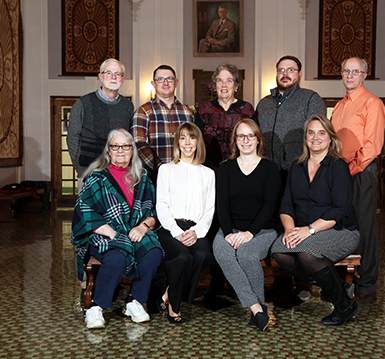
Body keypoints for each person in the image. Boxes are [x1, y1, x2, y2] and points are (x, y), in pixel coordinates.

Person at [270, 115, 360, 326]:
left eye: (322, 133)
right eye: (311, 132)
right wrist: (291, 231)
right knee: (279, 250)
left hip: (340, 230)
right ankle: (338, 286)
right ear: (306, 138)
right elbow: (286, 205)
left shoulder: (338, 166)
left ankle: (343, 306)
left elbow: (339, 210)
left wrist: (308, 231)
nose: (316, 137)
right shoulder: (297, 167)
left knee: (307, 254)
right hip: (302, 230)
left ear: (330, 138)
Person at [71, 129, 163, 329]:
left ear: (132, 150)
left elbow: (154, 212)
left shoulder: (143, 177)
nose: (121, 150)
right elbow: (85, 211)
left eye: (126, 146)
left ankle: (135, 301)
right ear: (109, 151)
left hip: (135, 232)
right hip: (105, 234)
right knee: (117, 257)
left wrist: (143, 227)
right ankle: (96, 306)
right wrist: (113, 233)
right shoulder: (96, 178)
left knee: (153, 252)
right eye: (116, 146)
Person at [213, 119, 281, 331]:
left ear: (258, 139)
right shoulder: (226, 169)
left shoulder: (270, 168)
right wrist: (227, 233)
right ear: (235, 140)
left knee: (246, 255)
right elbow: (221, 205)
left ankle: (257, 310)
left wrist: (250, 233)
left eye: (250, 135)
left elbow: (270, 206)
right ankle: (257, 309)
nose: (246, 140)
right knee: (223, 253)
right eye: (241, 136)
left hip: (262, 230)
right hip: (229, 229)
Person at [331, 57, 385, 306]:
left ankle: (367, 285)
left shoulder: (372, 103)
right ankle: (342, 280)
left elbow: (371, 146)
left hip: (360, 173)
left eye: (356, 71)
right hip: (339, 173)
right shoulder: (340, 106)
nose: (350, 75)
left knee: (364, 228)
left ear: (365, 75)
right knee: (340, 225)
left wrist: (350, 170)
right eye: (346, 71)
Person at [155, 122, 215, 324]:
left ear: (198, 142)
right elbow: (161, 205)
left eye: (192, 137)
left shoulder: (208, 174)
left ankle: (170, 292)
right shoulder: (166, 169)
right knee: (182, 257)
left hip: (197, 228)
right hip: (171, 227)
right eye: (182, 137)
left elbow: (209, 210)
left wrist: (196, 232)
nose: (187, 142)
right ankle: (175, 306)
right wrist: (175, 231)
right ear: (177, 142)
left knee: (203, 254)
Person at [255, 55, 326, 179]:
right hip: (267, 171)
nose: (285, 74)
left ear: (300, 74)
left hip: (300, 171)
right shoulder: (263, 103)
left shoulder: (311, 99)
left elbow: (318, 138)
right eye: (281, 70)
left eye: (291, 70)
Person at [67, 59, 134, 178]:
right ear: (100, 77)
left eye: (118, 74)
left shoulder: (127, 106)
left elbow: (128, 140)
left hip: (119, 173)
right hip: (89, 171)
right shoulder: (83, 103)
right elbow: (72, 137)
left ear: (123, 79)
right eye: (108, 73)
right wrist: (80, 169)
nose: (113, 77)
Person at [132, 64, 194, 181]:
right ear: (153, 84)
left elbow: (194, 143)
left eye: (169, 79)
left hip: (185, 175)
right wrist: (162, 169)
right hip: (154, 177)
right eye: (160, 79)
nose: (165, 83)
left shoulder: (187, 112)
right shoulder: (143, 112)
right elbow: (139, 145)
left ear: (176, 82)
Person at [195, 63, 254, 170]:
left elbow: (254, 141)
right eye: (219, 80)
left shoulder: (246, 110)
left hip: (241, 168)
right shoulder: (204, 110)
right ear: (215, 85)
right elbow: (197, 142)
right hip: (209, 169)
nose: (224, 85)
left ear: (236, 86)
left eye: (229, 81)